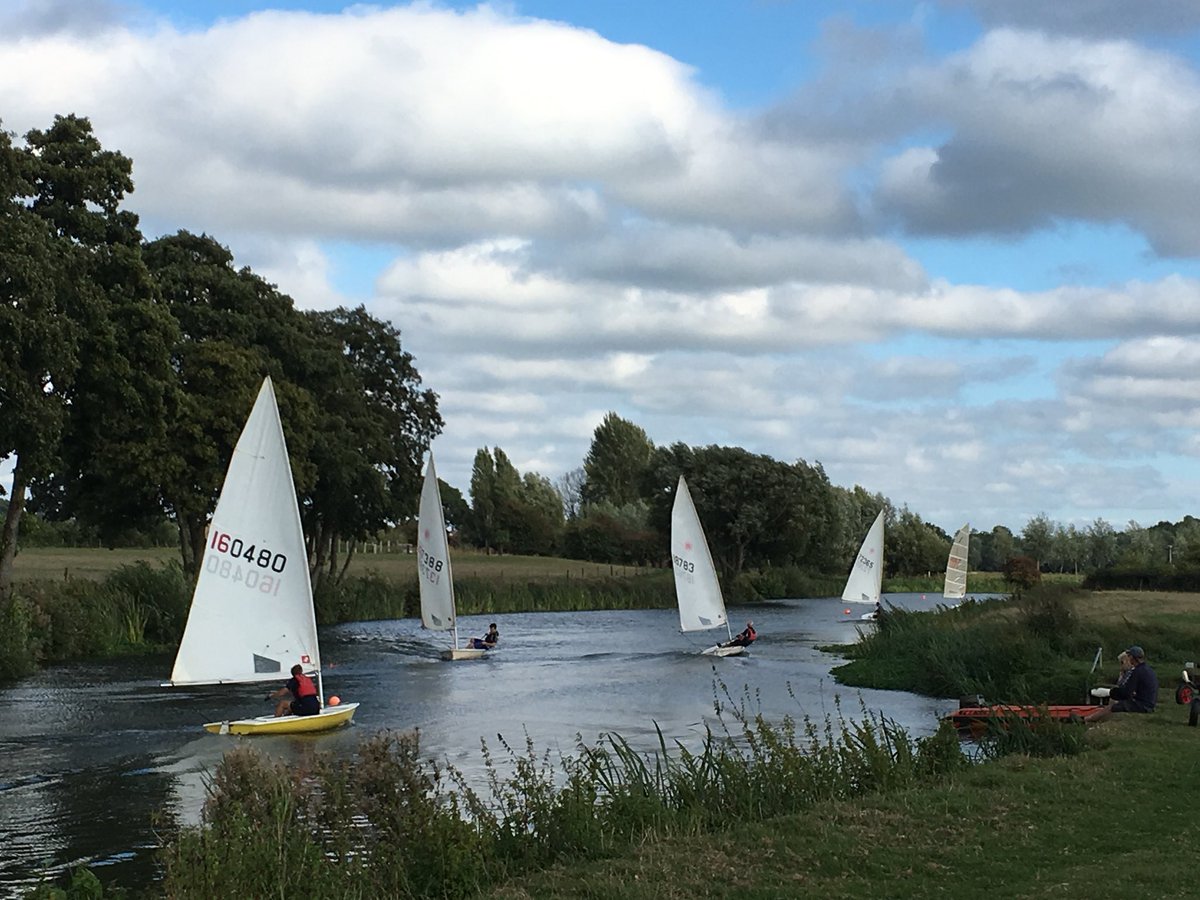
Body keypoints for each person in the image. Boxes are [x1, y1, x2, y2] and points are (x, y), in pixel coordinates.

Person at [1110, 645, 1158, 713]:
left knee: (1113, 707)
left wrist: (1113, 693)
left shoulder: (1137, 671)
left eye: (1129, 656)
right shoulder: (1147, 669)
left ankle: (1090, 718)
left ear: (1132, 657)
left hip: (1143, 705)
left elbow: (1127, 692)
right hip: (1149, 703)